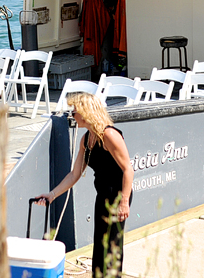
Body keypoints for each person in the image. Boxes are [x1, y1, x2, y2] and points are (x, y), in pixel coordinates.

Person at [36, 93, 133, 278]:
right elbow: (74, 175)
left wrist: (124, 201)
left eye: (75, 112)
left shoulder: (109, 135)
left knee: (112, 247)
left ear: (86, 113)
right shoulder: (86, 139)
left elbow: (128, 169)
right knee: (100, 244)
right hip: (103, 194)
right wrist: (52, 194)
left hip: (118, 194)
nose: (72, 115)